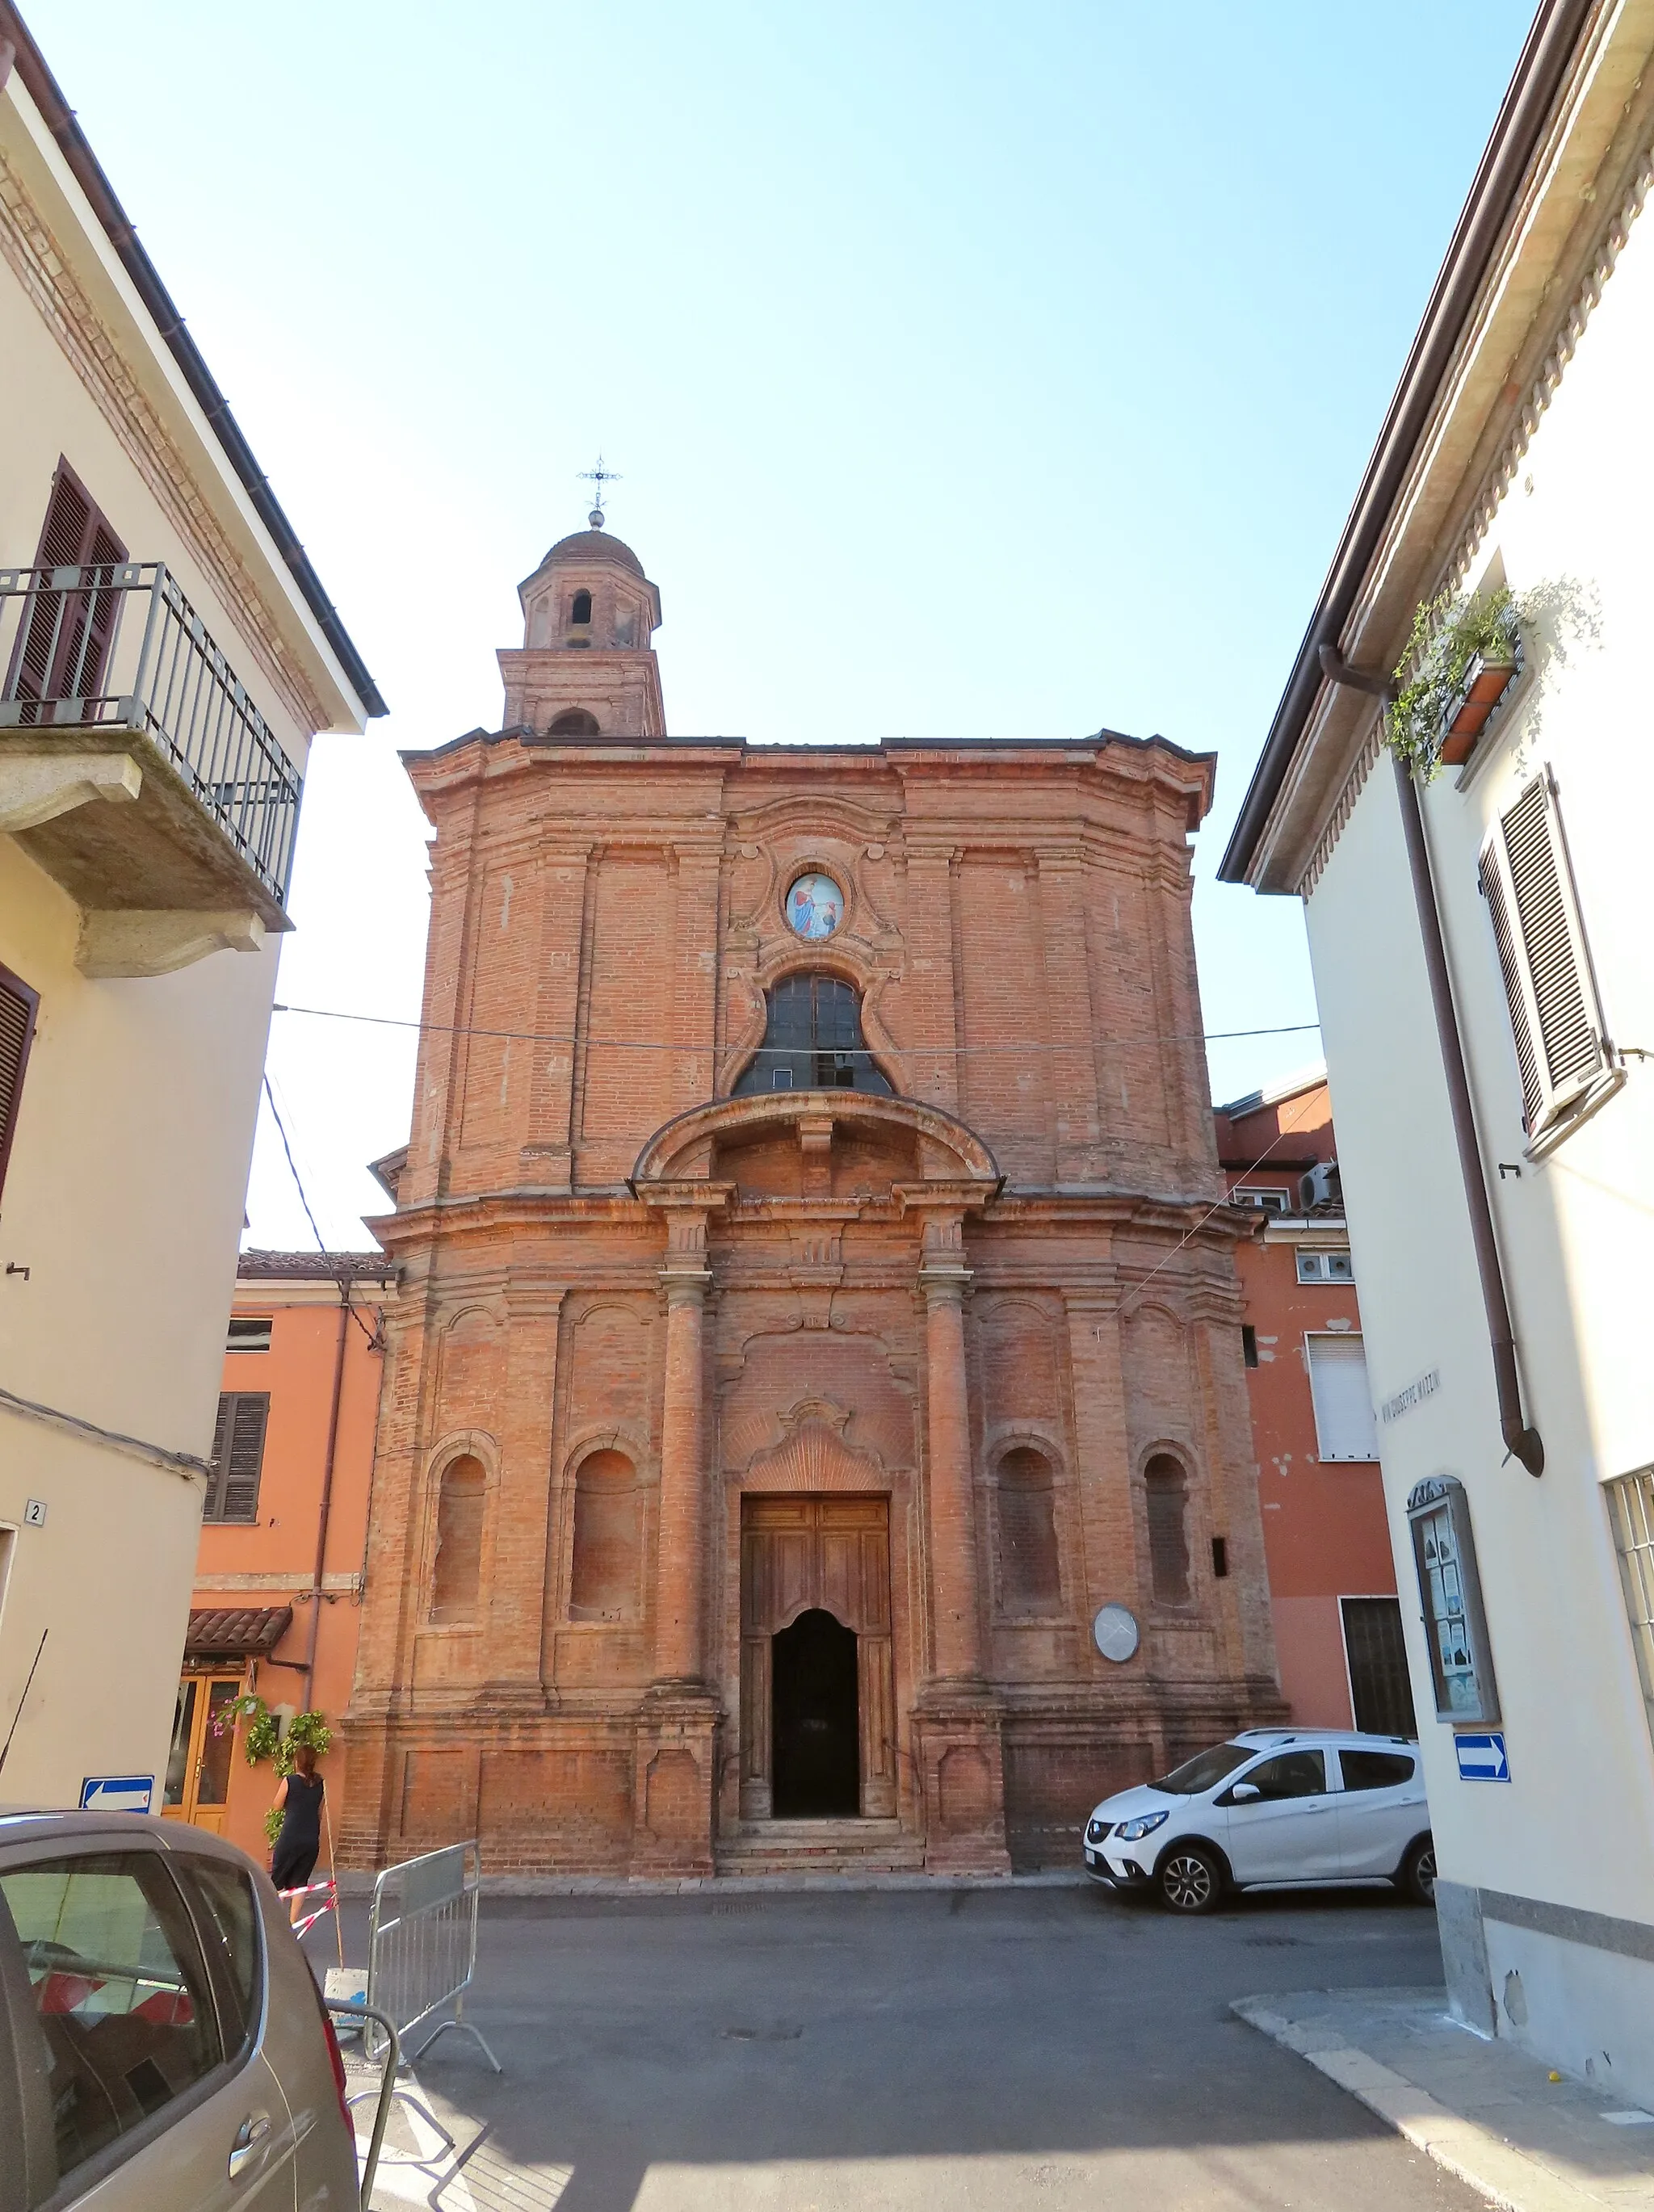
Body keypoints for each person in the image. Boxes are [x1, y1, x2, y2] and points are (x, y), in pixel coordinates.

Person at [269, 1743, 325, 1924]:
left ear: (297, 1762)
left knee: (278, 1882)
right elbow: (320, 1812)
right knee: (300, 1882)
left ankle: (276, 1924)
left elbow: (277, 1806)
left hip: (291, 1837)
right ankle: (292, 1924)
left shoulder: (290, 1781)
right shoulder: (320, 1783)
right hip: (310, 1839)